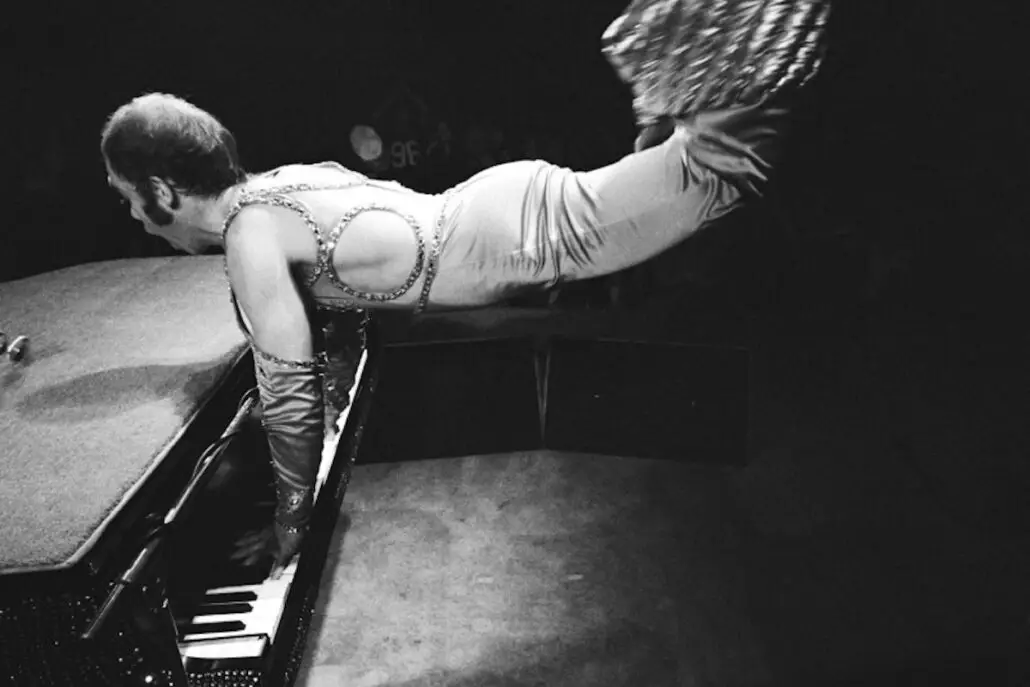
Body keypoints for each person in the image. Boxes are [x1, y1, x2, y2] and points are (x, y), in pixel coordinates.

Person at [100, 0, 828, 577]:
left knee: (722, 168)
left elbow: (290, 392)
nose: (134, 218)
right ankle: (680, 73)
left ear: (163, 187)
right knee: (698, 158)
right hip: (499, 211)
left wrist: (291, 526)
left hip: (514, 232)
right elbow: (336, 336)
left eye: (130, 198)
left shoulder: (251, 238)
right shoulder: (282, 184)